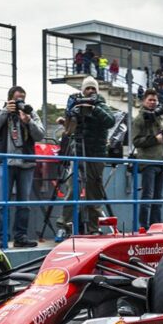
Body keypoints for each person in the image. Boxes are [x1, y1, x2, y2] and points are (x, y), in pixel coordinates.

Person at [57, 76, 116, 235]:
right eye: (87, 89)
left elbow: (110, 121)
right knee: (72, 189)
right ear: (82, 91)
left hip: (95, 156)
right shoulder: (77, 104)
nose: (90, 91)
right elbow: (69, 131)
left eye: (93, 89)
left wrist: (94, 108)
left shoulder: (101, 104)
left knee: (93, 193)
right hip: (78, 155)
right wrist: (70, 115)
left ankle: (93, 229)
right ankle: (64, 224)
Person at [0, 86, 45, 247]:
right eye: (17, 99)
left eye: (23, 99)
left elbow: (40, 134)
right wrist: (6, 111)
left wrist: (28, 121)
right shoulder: (1, 113)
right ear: (10, 99)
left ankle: (21, 237)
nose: (21, 102)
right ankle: (3, 238)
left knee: (24, 203)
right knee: (2, 203)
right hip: (5, 163)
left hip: (26, 164)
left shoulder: (30, 113)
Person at [132, 89, 163, 229]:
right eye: (150, 100)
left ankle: (156, 225)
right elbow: (136, 141)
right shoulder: (139, 119)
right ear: (144, 101)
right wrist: (155, 139)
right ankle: (144, 227)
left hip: (160, 161)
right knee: (147, 196)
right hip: (148, 161)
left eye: (155, 100)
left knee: (157, 198)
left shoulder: (158, 117)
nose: (153, 103)